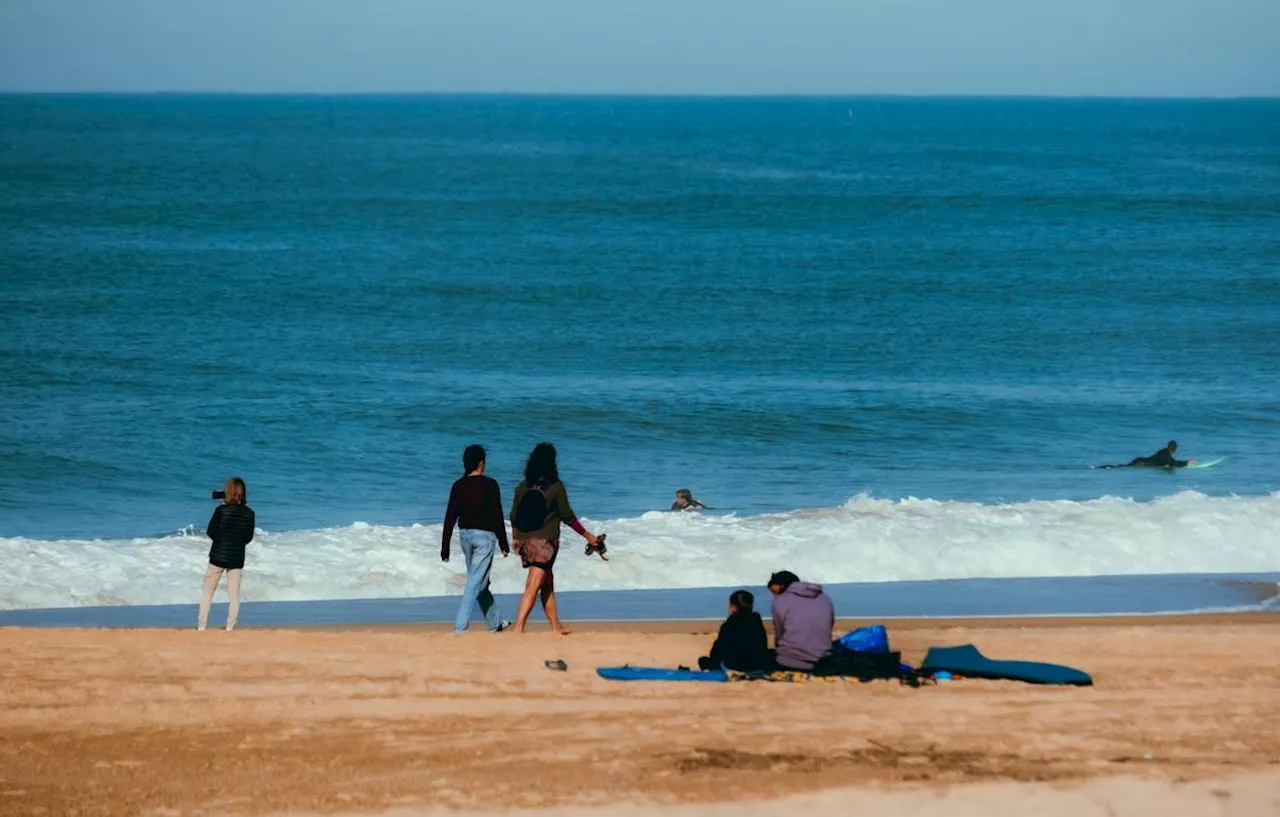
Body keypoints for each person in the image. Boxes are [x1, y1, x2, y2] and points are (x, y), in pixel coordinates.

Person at [509, 443, 601, 634]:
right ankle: (518, 628)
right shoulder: (557, 487)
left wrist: (516, 538)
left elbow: (513, 516)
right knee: (533, 585)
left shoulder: (522, 486)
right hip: (545, 544)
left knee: (547, 582)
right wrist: (589, 536)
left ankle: (555, 625)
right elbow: (567, 516)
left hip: (525, 541)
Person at [441, 444, 511, 634]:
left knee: (480, 582)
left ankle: (496, 623)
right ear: (481, 463)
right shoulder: (490, 484)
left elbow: (450, 517)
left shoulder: (458, 485)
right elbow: (497, 515)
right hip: (484, 538)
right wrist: (504, 543)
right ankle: (460, 626)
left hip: (465, 537)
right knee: (474, 582)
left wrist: (445, 546)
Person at [198, 477, 255, 632]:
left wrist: (221, 541)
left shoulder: (221, 511)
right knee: (234, 596)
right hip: (236, 557)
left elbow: (211, 531)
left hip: (217, 555)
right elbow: (248, 538)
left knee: (208, 593)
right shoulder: (249, 513)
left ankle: (202, 627)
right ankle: (230, 627)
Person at [767, 570, 834, 671]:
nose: (774, 597)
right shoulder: (825, 598)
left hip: (789, 661)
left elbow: (779, 634)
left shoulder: (780, 601)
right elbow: (829, 625)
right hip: (822, 660)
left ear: (781, 586)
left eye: (775, 592)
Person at [698, 589, 771, 672]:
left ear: (733, 607)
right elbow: (762, 644)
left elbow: (718, 650)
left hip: (734, 665)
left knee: (703, 660)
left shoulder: (729, 624)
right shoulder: (756, 621)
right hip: (757, 664)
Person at [1128, 440, 1197, 468]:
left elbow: (1170, 461)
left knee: (1125, 466)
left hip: (1139, 460)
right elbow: (1173, 463)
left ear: (1167, 446)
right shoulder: (1166, 454)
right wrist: (1186, 463)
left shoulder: (1162, 451)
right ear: (1175, 449)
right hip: (1141, 463)